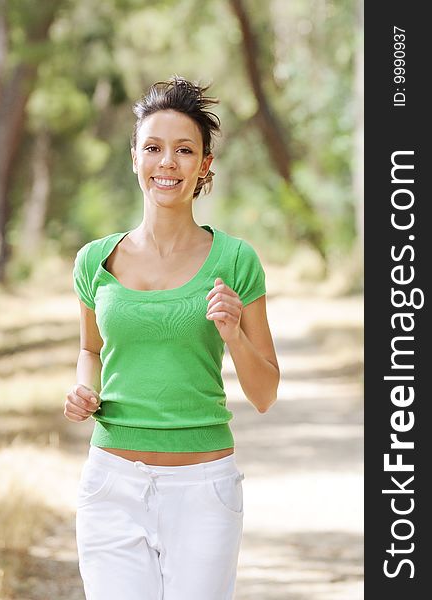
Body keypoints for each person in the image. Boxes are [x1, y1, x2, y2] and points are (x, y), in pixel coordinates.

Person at [65, 75, 280, 600]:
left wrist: (232, 333)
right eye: (154, 148)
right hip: (112, 483)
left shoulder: (235, 261)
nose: (168, 162)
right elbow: (90, 349)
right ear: (134, 157)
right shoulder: (96, 261)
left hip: (204, 488)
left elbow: (266, 393)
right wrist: (83, 389)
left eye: (185, 150)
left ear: (204, 165)